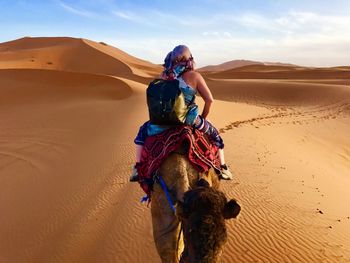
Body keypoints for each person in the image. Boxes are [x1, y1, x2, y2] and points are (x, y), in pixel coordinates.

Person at [130, 45, 233, 181]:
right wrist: (202, 118)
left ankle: (137, 168)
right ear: (190, 59)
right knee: (215, 136)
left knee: (141, 135)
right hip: (190, 120)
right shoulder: (194, 76)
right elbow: (210, 100)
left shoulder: (164, 76)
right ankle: (223, 168)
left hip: (162, 121)